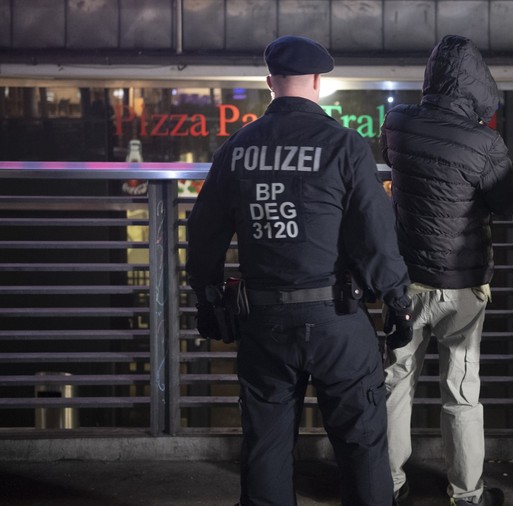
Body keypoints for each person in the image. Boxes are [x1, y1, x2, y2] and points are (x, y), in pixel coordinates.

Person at [186, 35, 412, 506]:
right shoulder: (343, 145)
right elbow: (374, 231)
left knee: (266, 446)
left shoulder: (238, 147)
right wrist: (395, 299)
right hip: (337, 318)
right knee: (361, 444)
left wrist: (205, 296)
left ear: (270, 83)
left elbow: (204, 229)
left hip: (264, 324)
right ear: (317, 82)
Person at [379, 34, 513, 506]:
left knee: (395, 383)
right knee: (461, 393)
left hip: (405, 282)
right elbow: (507, 200)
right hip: (462, 287)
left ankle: (388, 485)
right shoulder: (485, 141)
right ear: (478, 83)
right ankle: (466, 494)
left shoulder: (397, 123)